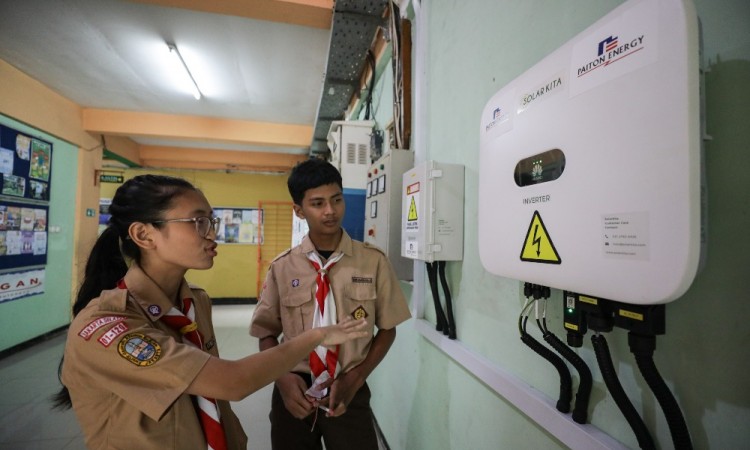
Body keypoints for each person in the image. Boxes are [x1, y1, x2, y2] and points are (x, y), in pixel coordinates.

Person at [52, 174, 368, 450]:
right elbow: (231, 382)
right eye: (198, 222)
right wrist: (318, 335)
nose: (212, 233)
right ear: (144, 235)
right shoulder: (107, 323)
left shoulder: (193, 303)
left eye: (211, 221)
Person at [250, 158, 411, 450]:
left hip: (349, 388)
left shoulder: (373, 261)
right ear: (299, 210)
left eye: (336, 200)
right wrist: (283, 379)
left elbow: (388, 329)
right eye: (317, 203)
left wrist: (355, 379)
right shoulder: (282, 268)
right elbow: (266, 333)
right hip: (294, 390)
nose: (330, 211)